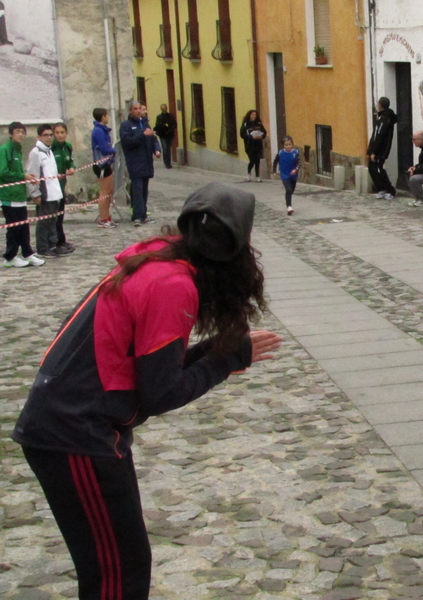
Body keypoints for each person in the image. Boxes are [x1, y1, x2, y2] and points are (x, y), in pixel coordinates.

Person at [12, 182, 283, 599]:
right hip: (75, 433)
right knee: (117, 576)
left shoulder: (157, 258)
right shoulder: (172, 284)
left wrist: (215, 351)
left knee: (119, 569)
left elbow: (148, 370)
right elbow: (161, 393)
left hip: (75, 428)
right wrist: (223, 360)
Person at [1, 122, 44, 268]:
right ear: (11, 134)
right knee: (14, 229)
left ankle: (27, 253)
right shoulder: (5, 150)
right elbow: (3, 173)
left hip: (19, 196)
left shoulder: (18, 150)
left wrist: (26, 177)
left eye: (23, 132)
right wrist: (23, 176)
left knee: (24, 227)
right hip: (9, 197)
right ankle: (10, 256)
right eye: (18, 132)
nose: (21, 135)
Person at [27, 124, 68, 258]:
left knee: (53, 221)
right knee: (44, 222)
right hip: (45, 193)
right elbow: (32, 174)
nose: (49, 138)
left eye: (51, 135)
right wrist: (35, 194)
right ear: (39, 137)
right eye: (46, 135)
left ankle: (53, 245)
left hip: (54, 192)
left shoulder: (49, 151)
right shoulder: (36, 153)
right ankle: (43, 248)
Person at [120, 100, 161, 226]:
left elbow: (153, 139)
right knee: (137, 189)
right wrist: (142, 135)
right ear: (130, 111)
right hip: (135, 162)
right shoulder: (126, 125)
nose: (138, 111)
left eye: (139, 108)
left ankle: (143, 215)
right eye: (135, 109)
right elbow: (128, 142)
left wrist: (157, 149)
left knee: (144, 190)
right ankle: (137, 215)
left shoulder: (145, 124)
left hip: (147, 162)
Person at [51, 123, 76, 253]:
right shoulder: (51, 148)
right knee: (53, 216)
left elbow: (70, 160)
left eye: (62, 132)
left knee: (60, 214)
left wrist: (72, 167)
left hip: (62, 186)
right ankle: (54, 242)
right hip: (51, 187)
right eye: (57, 133)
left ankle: (61, 240)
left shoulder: (67, 147)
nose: (60, 135)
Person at [91, 108, 117, 228]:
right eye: (107, 115)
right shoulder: (98, 131)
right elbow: (104, 148)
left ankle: (107, 216)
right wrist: (114, 150)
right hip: (101, 164)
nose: (108, 117)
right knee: (104, 192)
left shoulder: (103, 130)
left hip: (106, 164)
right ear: (102, 117)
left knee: (109, 191)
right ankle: (103, 219)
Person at [367, 97, 397, 200]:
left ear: (380, 105)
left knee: (379, 168)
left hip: (381, 150)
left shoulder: (385, 119)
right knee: (372, 168)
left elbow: (379, 135)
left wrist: (374, 152)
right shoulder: (381, 118)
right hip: (377, 149)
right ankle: (381, 189)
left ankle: (390, 190)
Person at [273, 135, 300, 216]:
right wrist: (274, 171)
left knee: (291, 190)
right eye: (286, 145)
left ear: (292, 144)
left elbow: (299, 163)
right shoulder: (281, 153)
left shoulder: (295, 153)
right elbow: (275, 162)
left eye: (290, 144)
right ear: (283, 145)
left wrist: (296, 169)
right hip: (284, 174)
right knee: (288, 189)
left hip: (293, 175)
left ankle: (289, 203)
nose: (288, 146)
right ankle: (289, 207)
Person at [240, 110, 267, 182]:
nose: (254, 116)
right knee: (252, 160)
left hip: (258, 144)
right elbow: (242, 134)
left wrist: (261, 136)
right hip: (249, 145)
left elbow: (264, 132)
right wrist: (251, 137)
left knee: (257, 160)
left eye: (255, 115)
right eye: (252, 115)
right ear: (249, 115)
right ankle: (249, 173)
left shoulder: (259, 123)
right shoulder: (245, 124)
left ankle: (258, 176)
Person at [153, 104, 177, 169]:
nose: (164, 109)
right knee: (165, 148)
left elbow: (174, 124)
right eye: (162, 108)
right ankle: (166, 162)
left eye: (165, 108)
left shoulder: (171, 116)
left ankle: (168, 162)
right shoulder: (159, 117)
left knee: (168, 148)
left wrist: (170, 129)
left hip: (169, 135)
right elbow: (157, 125)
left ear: (166, 108)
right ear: (161, 109)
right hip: (162, 135)